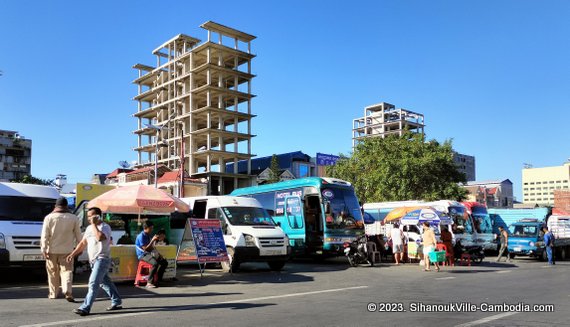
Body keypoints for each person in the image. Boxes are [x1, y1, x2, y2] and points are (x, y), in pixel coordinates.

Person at [66, 207, 122, 316]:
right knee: (105, 282)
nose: (89, 218)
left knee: (93, 283)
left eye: (91, 216)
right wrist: (73, 254)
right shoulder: (89, 228)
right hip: (93, 260)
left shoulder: (105, 227)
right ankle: (116, 300)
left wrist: (94, 225)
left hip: (102, 259)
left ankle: (85, 307)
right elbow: (83, 243)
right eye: (88, 216)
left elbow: (100, 237)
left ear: (98, 216)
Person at [40, 197, 82, 302]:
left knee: (52, 272)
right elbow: (78, 235)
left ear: (55, 206)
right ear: (66, 206)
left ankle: (53, 294)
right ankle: (67, 291)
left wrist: (44, 249)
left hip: (51, 250)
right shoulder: (74, 218)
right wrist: (79, 248)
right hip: (67, 251)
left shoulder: (49, 218)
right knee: (67, 271)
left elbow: (44, 236)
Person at [135, 221, 168, 288]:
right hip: (142, 255)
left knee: (164, 262)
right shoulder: (141, 236)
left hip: (149, 253)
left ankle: (158, 280)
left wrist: (158, 254)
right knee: (155, 263)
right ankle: (149, 282)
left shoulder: (147, 235)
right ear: (146, 228)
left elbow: (151, 248)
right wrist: (152, 240)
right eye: (151, 228)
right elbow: (145, 249)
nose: (152, 230)